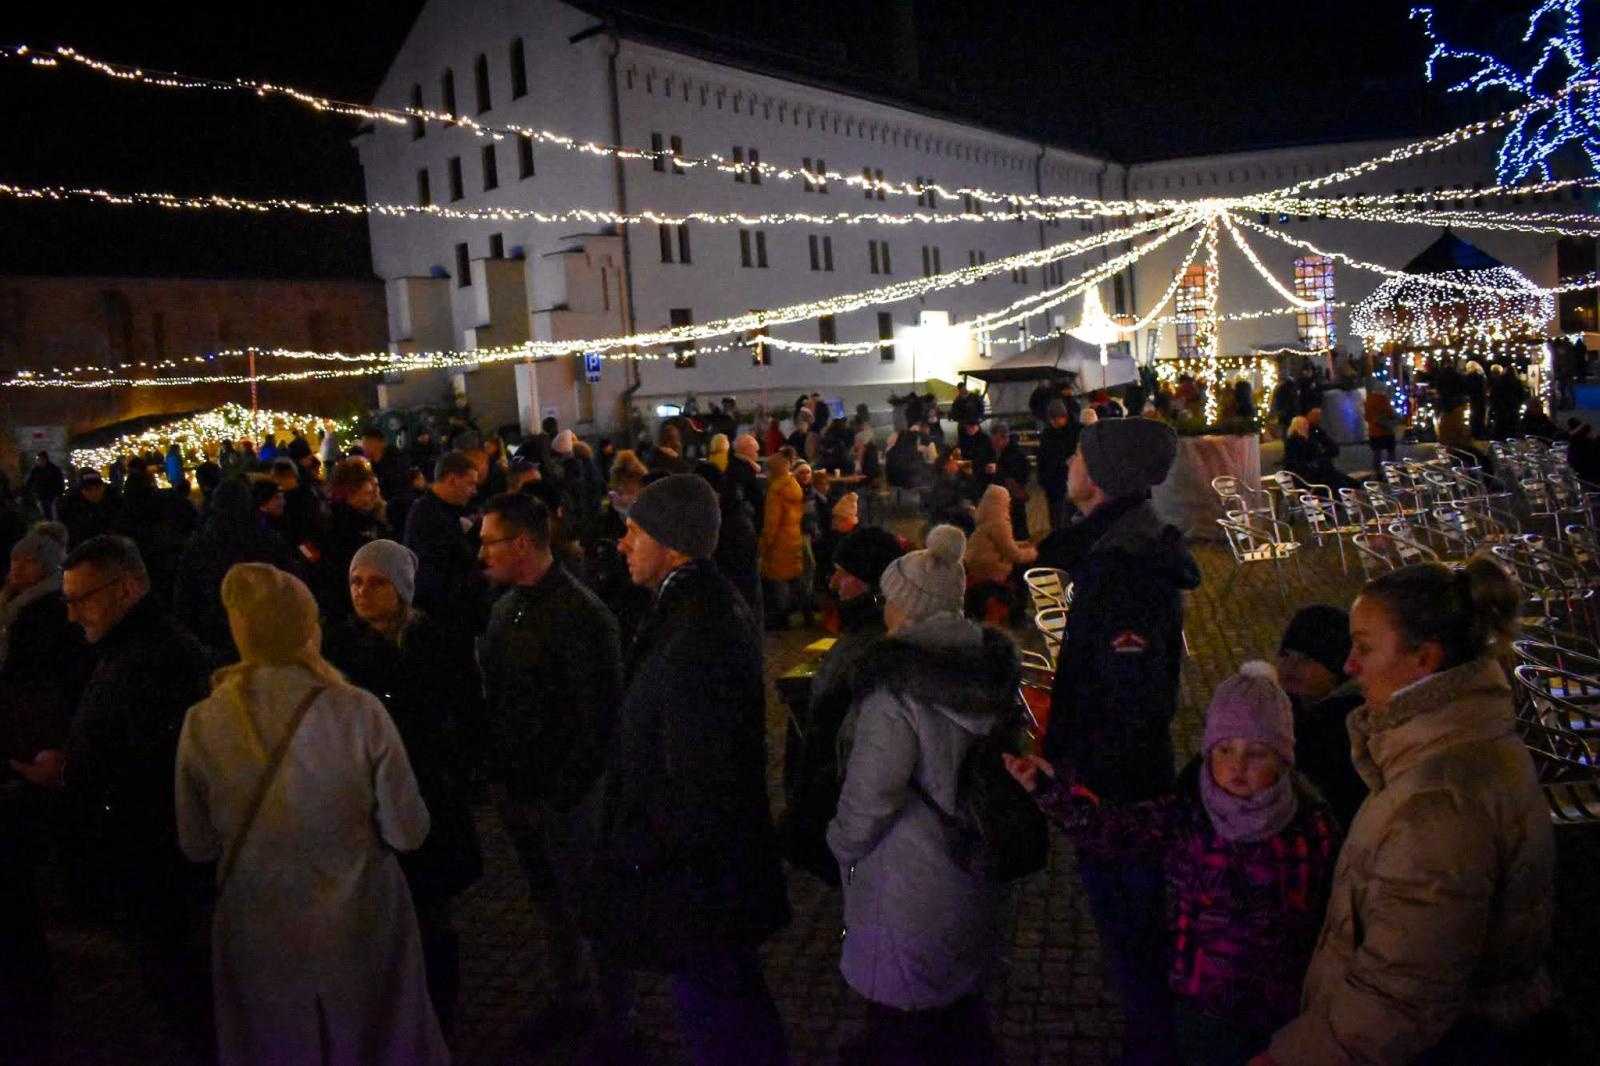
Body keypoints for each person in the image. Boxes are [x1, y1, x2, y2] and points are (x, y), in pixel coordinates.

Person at [1260, 557, 1558, 1066]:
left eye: (1366, 647)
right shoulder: (1463, 741)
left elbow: (1402, 994)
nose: (1349, 664)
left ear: (1424, 658)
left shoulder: (1439, 802)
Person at [175, 563, 446, 1066]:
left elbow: (196, 842)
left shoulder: (205, 720)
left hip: (257, 924)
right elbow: (408, 832)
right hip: (357, 918)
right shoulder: (357, 711)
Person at [1009, 663, 1341, 1065]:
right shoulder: (1188, 816)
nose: (1237, 767)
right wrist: (1050, 790)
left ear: (1283, 759)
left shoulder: (1311, 830)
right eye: (1225, 750)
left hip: (1275, 1016)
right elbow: (1115, 829)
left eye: (1256, 753)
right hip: (1197, 1005)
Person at [586, 474, 789, 1066]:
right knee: (728, 999)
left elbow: (700, 770)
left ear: (669, 542)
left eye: (634, 532)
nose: (623, 545)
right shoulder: (691, 606)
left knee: (722, 1015)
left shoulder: (698, 625)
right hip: (705, 872)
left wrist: (656, 849)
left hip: (700, 879)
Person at [1033, 416, 1200, 1064]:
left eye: (1079, 454)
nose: (1069, 463)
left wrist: (1082, 775)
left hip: (1118, 788)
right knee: (1126, 927)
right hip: (1108, 775)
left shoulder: (1122, 567)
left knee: (1132, 931)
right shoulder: (1108, 549)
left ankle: (1155, 1047)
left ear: (1103, 476)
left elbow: (1130, 697)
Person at [9, 536, 215, 1059]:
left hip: (155, 860)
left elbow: (150, 765)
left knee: (184, 990)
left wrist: (69, 772)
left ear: (125, 589)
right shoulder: (125, 648)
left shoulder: (157, 658)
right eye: (68, 600)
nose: (73, 615)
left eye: (83, 598)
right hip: (138, 858)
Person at [828, 524, 1019, 1066]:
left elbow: (870, 798)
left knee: (904, 1022)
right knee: (958, 1010)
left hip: (906, 878)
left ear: (907, 610)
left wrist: (839, 842)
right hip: (970, 860)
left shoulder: (894, 691)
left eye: (890, 600)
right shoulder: (989, 671)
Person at [476, 493, 631, 1048]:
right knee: (551, 905)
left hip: (566, 795)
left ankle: (616, 1023)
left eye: (489, 541)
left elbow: (600, 716)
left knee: (590, 906)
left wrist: (568, 787)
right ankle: (573, 999)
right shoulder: (505, 607)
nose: (481, 553)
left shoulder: (582, 615)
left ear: (523, 543)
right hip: (521, 787)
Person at [323, 541, 483, 1035]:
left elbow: (465, 712)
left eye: (376, 582)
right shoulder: (339, 648)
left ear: (402, 589)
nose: (363, 592)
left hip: (427, 793)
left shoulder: (433, 641)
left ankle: (439, 1017)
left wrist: (452, 769)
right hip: (363, 803)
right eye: (355, 581)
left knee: (432, 916)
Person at [778, 525, 906, 879]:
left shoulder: (872, 644)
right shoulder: (862, 630)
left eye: (843, 574)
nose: (833, 583)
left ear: (869, 582)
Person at [174, 478, 301, 660]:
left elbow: (184, 600)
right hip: (263, 635)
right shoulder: (266, 541)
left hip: (214, 638)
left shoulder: (198, 546)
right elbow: (290, 584)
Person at [0, 523, 86, 766]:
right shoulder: (11, 601)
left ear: (46, 566)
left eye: (28, 562)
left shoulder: (52, 607)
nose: (17, 567)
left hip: (37, 711)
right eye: (15, 560)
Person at [1276, 605, 1367, 831]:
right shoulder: (1284, 705)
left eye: (1307, 658)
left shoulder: (1345, 730)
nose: (1291, 667)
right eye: (1286, 654)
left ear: (1337, 667)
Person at [403, 450, 487, 635]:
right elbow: (439, 571)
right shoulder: (427, 516)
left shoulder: (445, 512)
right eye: (471, 483)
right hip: (442, 619)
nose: (474, 491)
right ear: (452, 480)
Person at [311, 457, 390, 626]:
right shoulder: (347, 524)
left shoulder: (338, 518)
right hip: (350, 603)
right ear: (350, 493)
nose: (371, 499)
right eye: (367, 494)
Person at [963, 483, 1037, 620]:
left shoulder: (987, 519)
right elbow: (1013, 554)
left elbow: (1003, 544)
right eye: (1007, 499)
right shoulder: (998, 523)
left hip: (977, 567)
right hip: (990, 570)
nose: (1009, 502)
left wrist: (1023, 544)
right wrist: (1034, 552)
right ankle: (1018, 615)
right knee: (1022, 572)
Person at [759, 451, 806, 630]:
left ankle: (781, 617)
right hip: (793, 536)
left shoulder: (776, 490)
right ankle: (802, 610)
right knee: (793, 576)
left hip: (779, 540)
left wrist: (765, 543)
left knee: (779, 580)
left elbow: (772, 521)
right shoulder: (794, 485)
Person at [1036, 399, 1079, 532]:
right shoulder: (1047, 434)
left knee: (1069, 520)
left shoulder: (1076, 431)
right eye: (1051, 419)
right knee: (1055, 520)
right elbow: (1042, 459)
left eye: (1057, 418)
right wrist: (1042, 480)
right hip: (1053, 484)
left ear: (1064, 416)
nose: (1054, 422)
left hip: (1070, 481)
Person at [57, 470, 120, 547]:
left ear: (103, 487)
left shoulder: (114, 502)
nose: (94, 493)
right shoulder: (69, 507)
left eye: (97, 488)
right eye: (88, 489)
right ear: (81, 491)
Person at [1364, 380, 1401, 469]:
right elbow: (1390, 413)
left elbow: (1367, 416)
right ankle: (1391, 471)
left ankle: (1377, 473)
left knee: (1377, 453)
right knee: (1391, 452)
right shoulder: (1382, 399)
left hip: (1373, 432)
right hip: (1385, 431)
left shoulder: (1368, 399)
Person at [23, 452, 65, 518]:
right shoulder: (36, 470)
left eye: (40, 460)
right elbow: (30, 481)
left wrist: (59, 493)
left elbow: (60, 481)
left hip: (52, 496)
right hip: (40, 495)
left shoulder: (54, 469)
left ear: (45, 459)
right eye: (38, 460)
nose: (38, 462)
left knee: (53, 513)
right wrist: (25, 492)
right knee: (44, 513)